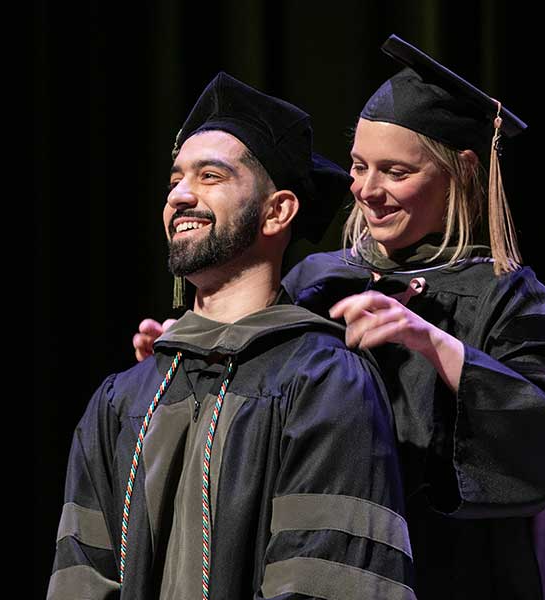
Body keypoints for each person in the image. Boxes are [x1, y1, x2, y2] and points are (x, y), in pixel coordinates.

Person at [133, 36, 545, 600]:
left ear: (463, 173)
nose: (367, 191)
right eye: (358, 167)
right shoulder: (318, 281)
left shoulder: (508, 297)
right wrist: (198, 354)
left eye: (395, 172)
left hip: (452, 576)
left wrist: (434, 344)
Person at [47, 71, 417, 600]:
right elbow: (80, 581)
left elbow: (327, 581)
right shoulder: (122, 399)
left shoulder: (324, 383)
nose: (179, 194)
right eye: (175, 178)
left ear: (277, 211)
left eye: (210, 176)